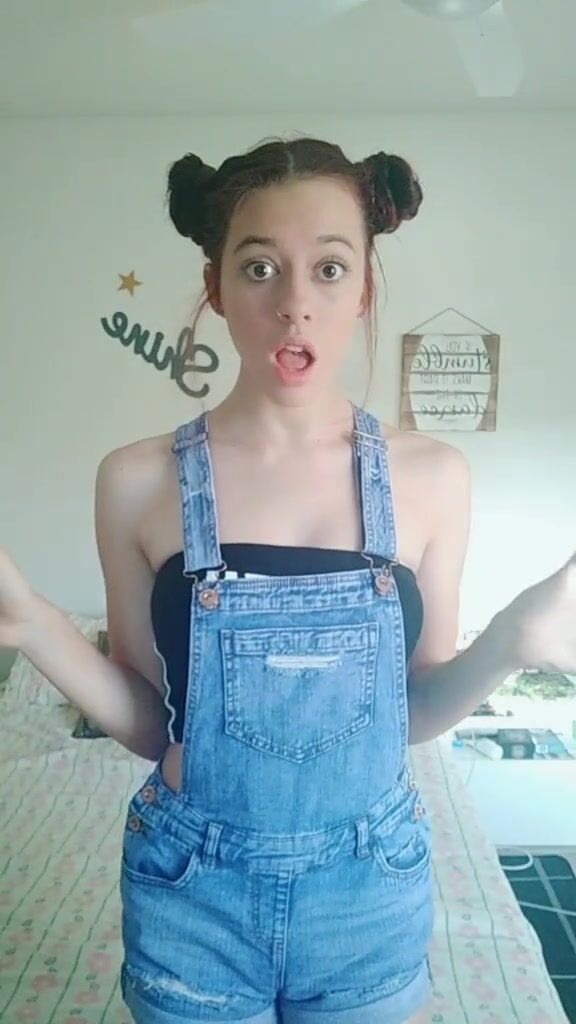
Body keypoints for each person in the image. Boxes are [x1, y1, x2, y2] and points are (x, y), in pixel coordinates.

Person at [0, 135, 574, 1024]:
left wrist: (512, 643)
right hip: (190, 891)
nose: (295, 303)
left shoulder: (433, 477)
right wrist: (32, 624)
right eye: (260, 267)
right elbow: (152, 722)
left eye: (330, 269)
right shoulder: (136, 481)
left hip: (370, 889)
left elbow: (412, 712)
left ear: (365, 287)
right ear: (216, 287)